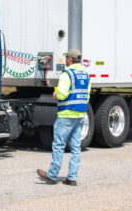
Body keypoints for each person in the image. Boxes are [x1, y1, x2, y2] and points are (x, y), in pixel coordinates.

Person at [36, 49, 91, 186]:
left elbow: (61, 95)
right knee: (76, 147)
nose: (65, 60)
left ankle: (52, 175)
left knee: (59, 145)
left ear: (70, 60)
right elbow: (87, 96)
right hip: (79, 115)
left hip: (66, 114)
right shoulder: (86, 75)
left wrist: (55, 95)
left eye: (66, 58)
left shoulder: (67, 74)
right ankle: (72, 178)